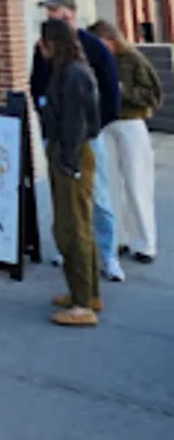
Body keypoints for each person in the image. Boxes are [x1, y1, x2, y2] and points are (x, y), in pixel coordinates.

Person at [30, 0, 123, 281]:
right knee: (63, 197)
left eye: (57, 15)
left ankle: (107, 254)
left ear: (71, 14)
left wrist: (94, 126)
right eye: (49, 15)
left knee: (97, 196)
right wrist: (46, 119)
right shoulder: (43, 50)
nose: (52, 21)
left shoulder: (92, 48)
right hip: (56, 134)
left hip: (85, 137)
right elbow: (36, 85)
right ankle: (68, 250)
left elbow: (110, 91)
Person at [40, 18, 103, 326]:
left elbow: (73, 122)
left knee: (71, 227)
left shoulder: (73, 75)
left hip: (71, 153)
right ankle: (87, 292)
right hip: (72, 152)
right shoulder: (71, 71)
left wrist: (68, 161)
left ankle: (82, 304)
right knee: (79, 223)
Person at [90, 18, 163, 264]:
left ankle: (144, 243)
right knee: (109, 185)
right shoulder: (96, 61)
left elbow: (153, 95)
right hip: (105, 124)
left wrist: (124, 92)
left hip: (131, 122)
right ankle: (118, 238)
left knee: (136, 183)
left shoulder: (134, 60)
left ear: (111, 40)